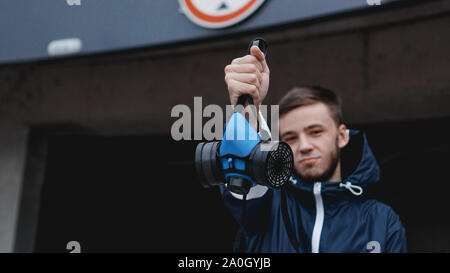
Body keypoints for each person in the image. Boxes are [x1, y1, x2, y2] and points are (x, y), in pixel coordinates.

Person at [220, 45, 407, 253]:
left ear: (342, 136)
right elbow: (244, 173)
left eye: (315, 132)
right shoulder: (266, 207)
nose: (305, 146)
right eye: (290, 138)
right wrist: (248, 107)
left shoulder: (381, 221)